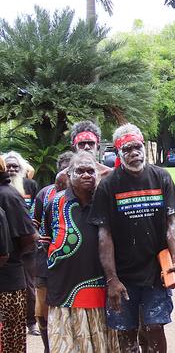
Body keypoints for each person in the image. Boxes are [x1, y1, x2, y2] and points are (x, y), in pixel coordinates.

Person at [89, 124, 175, 353]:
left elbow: (172, 223)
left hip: (156, 272)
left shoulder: (160, 177)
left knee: (154, 327)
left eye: (137, 147)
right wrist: (112, 279)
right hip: (123, 274)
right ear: (119, 153)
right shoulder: (108, 185)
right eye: (128, 149)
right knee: (127, 332)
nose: (134, 153)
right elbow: (105, 234)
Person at [43, 152, 119, 352]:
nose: (86, 175)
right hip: (63, 290)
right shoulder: (54, 203)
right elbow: (46, 240)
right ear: (68, 176)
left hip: (100, 287)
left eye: (90, 171)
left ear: (98, 174)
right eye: (80, 171)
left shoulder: (107, 202)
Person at [30, 151, 73, 352]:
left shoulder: (84, 194)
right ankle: (48, 346)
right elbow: (33, 224)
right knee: (43, 307)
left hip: (74, 264)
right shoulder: (44, 194)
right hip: (45, 262)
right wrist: (45, 243)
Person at [0, 156, 37, 352]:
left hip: (8, 283)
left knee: (9, 343)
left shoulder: (8, 196)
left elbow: (30, 236)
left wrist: (11, 256)